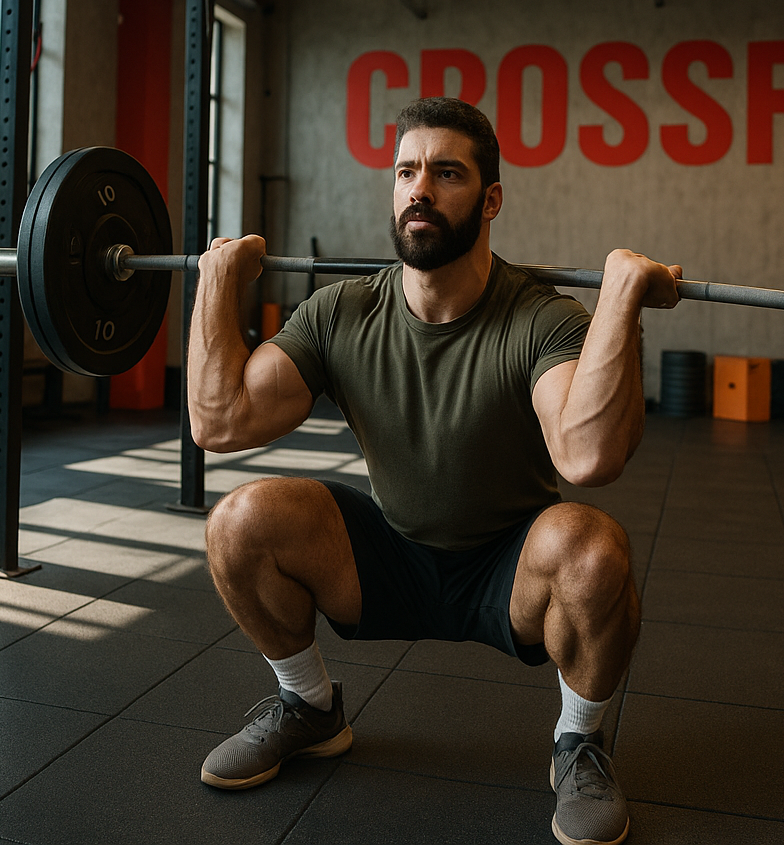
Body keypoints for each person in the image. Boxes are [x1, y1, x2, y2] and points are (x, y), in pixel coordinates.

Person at [187, 97, 681, 845]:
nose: (420, 189)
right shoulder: (341, 312)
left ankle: (579, 742)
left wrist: (619, 298)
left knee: (593, 549)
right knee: (239, 521)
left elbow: (588, 456)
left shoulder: (539, 318)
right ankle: (309, 708)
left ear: (490, 201)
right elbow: (218, 422)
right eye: (406, 172)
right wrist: (216, 279)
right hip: (385, 553)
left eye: (446, 173)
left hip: (508, 569)